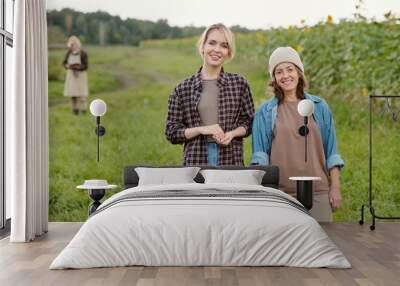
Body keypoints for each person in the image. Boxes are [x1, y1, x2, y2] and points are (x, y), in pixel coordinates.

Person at [251, 46, 344, 222]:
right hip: (281, 193)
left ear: (299, 72)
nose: (285, 76)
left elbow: (332, 151)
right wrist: (262, 192)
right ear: (274, 78)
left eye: (290, 69)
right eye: (279, 72)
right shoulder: (265, 112)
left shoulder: (320, 106)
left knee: (323, 244)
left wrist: (335, 187)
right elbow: (260, 156)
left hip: (318, 191)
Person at [165, 24, 254, 166]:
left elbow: (248, 123)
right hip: (196, 160)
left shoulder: (239, 84)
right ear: (203, 46)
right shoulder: (182, 89)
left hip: (230, 159)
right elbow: (172, 133)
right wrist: (202, 129)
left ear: (228, 52)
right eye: (212, 43)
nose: (217, 50)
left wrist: (231, 134)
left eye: (224, 46)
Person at [63, 35, 89, 115]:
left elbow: (86, 66)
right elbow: (64, 62)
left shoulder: (83, 53)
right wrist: (67, 66)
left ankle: (84, 109)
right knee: (73, 93)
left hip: (80, 76)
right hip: (71, 75)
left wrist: (78, 67)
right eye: (71, 45)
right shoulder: (69, 53)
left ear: (78, 44)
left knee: (82, 92)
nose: (73, 46)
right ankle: (75, 109)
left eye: (74, 44)